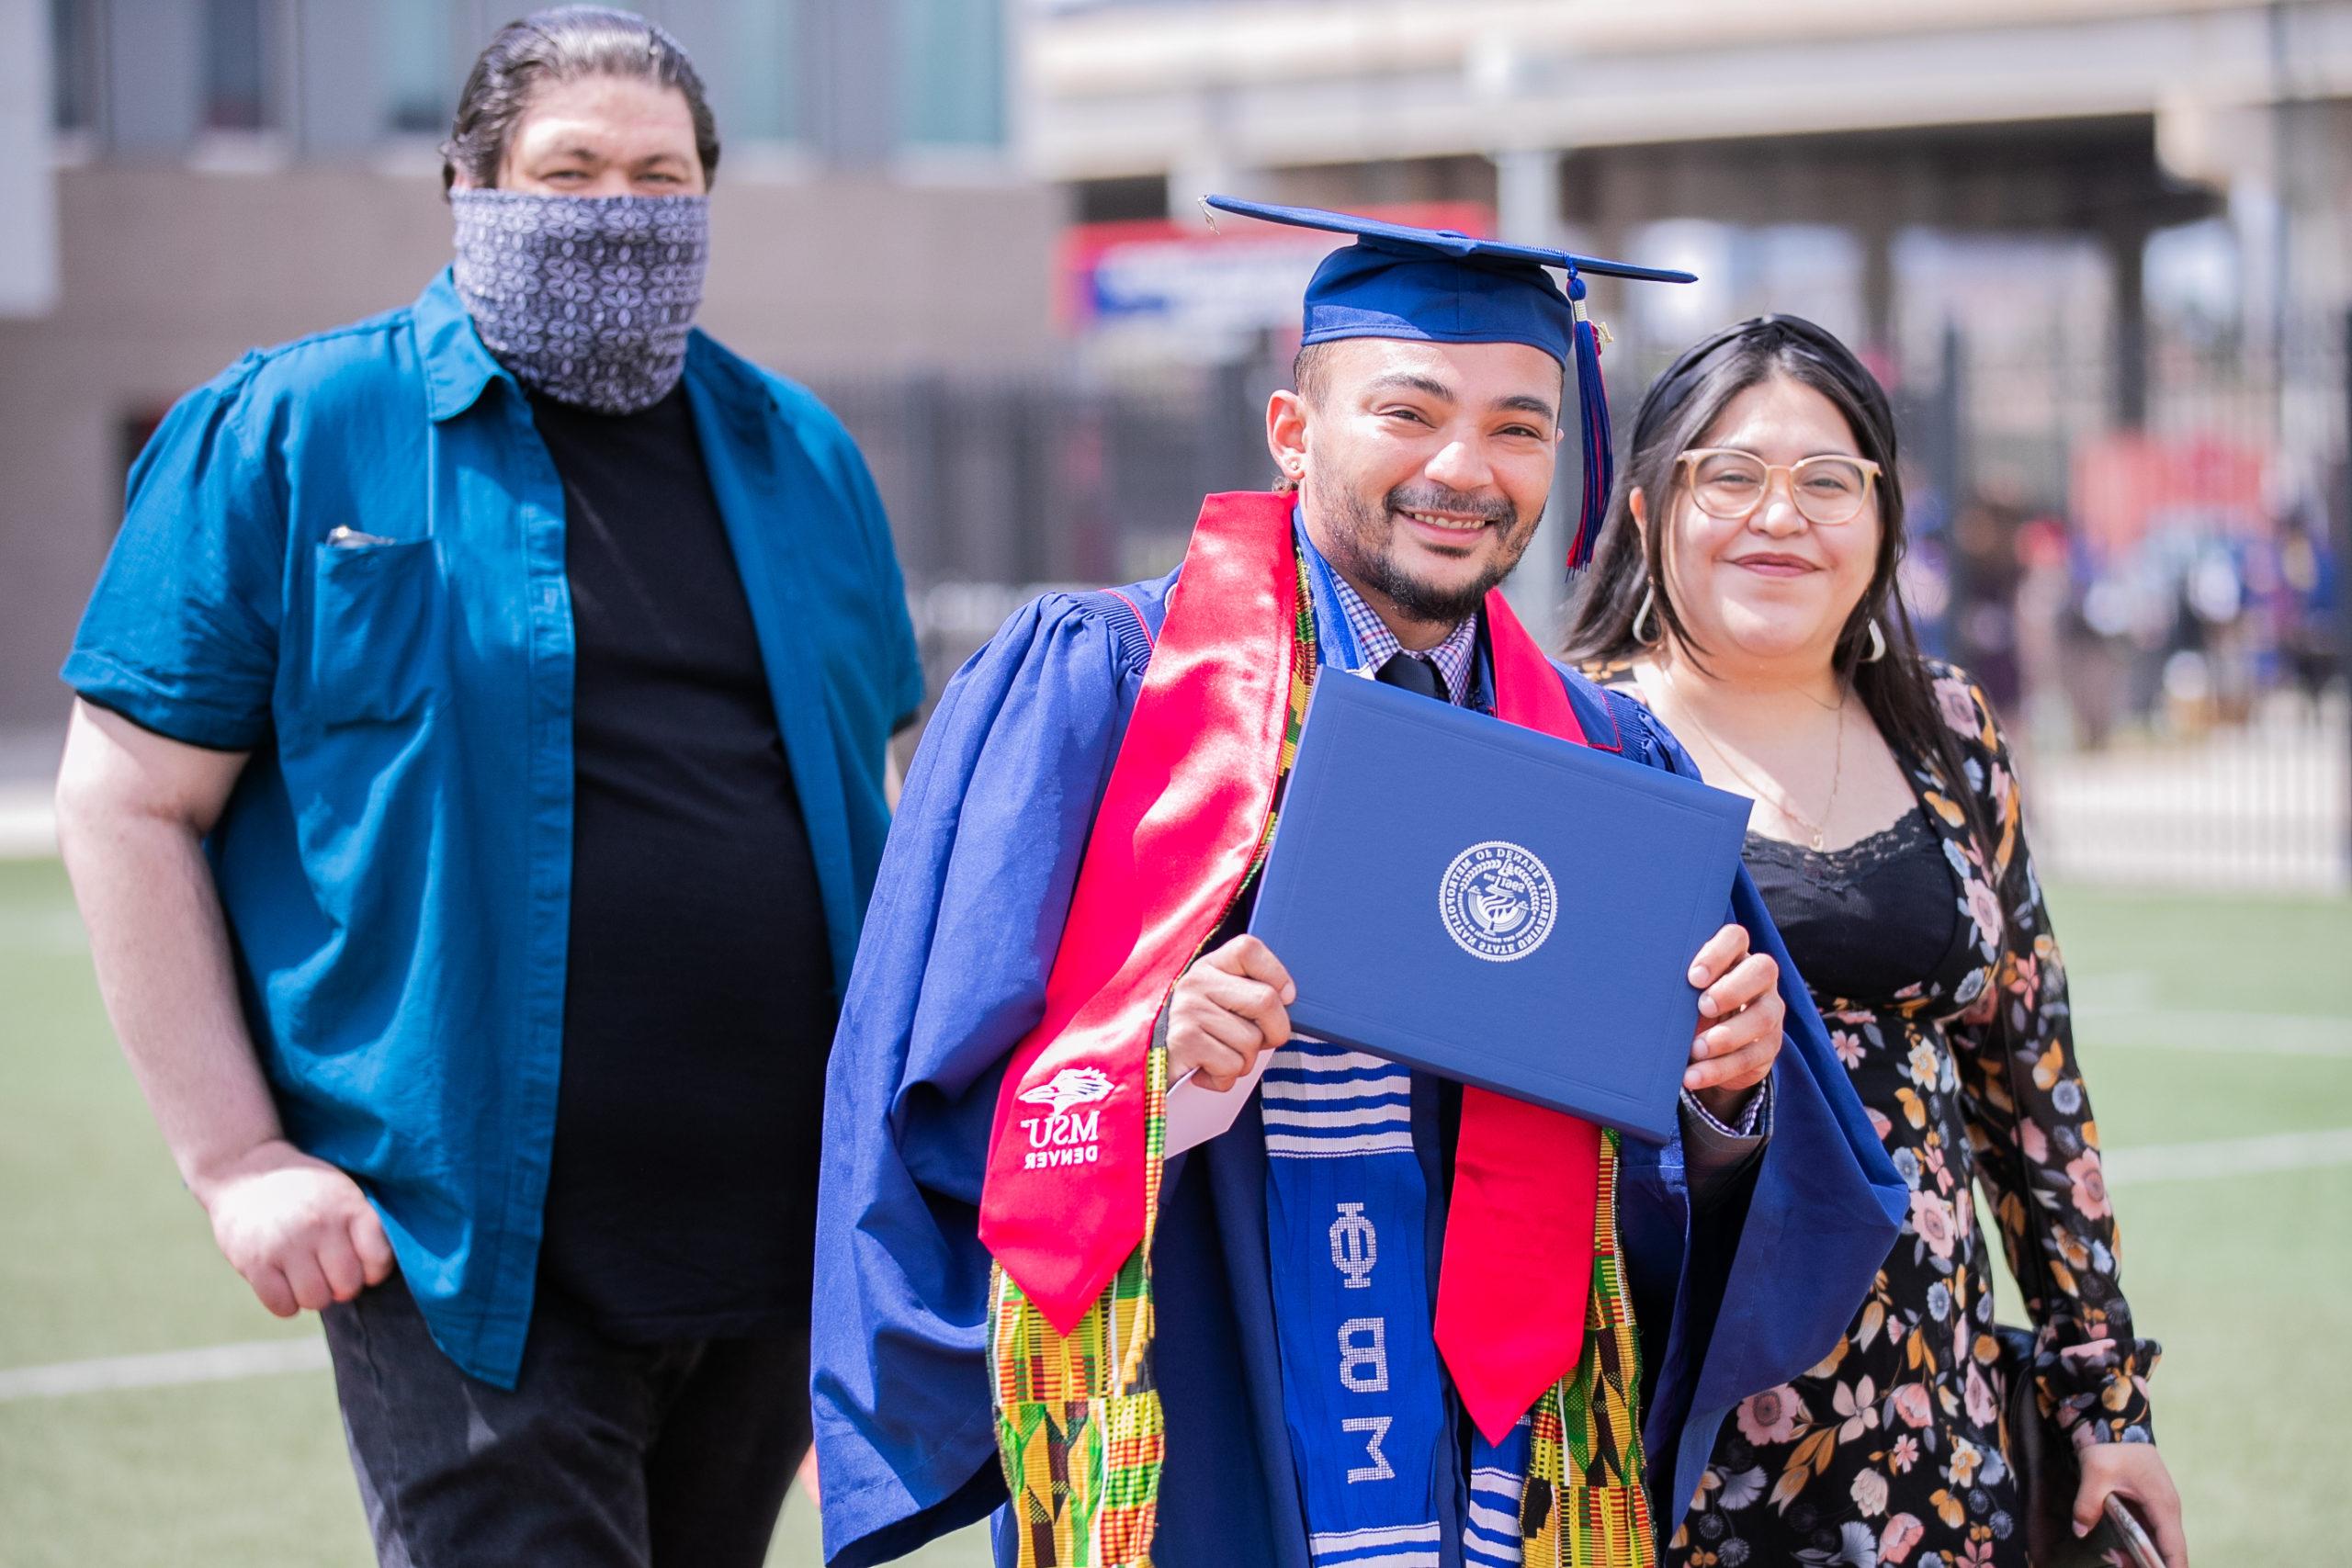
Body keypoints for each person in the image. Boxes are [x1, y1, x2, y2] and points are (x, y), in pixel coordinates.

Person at [810, 200, 1905, 1568]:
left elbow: (1738, 1212)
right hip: (1203, 1416)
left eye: (1520, 425)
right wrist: (1155, 1073)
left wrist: (1717, 1094)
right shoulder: (1097, 689)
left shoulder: (1607, 759)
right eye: (1410, 411)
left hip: (1502, 1465)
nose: (1467, 467)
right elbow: (921, 1085)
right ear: (1292, 429)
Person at [51, 10, 921, 1565]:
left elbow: (895, 796)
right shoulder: (295, 432)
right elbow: (125, 799)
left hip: (776, 1238)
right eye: (568, 171)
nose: (617, 214)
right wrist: (236, 1161)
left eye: (661, 180)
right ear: (466, 183)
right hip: (461, 1245)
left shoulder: (804, 454)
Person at [1563, 315, 2186, 1568]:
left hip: (1929, 1418)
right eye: (1728, 476)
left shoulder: (1946, 728)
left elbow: (2035, 1091)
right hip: (1673, 1398)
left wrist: (2105, 1401)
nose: (1779, 517)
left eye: (1827, 481)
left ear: (1884, 517)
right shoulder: (1579, 744)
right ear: (1645, 509)